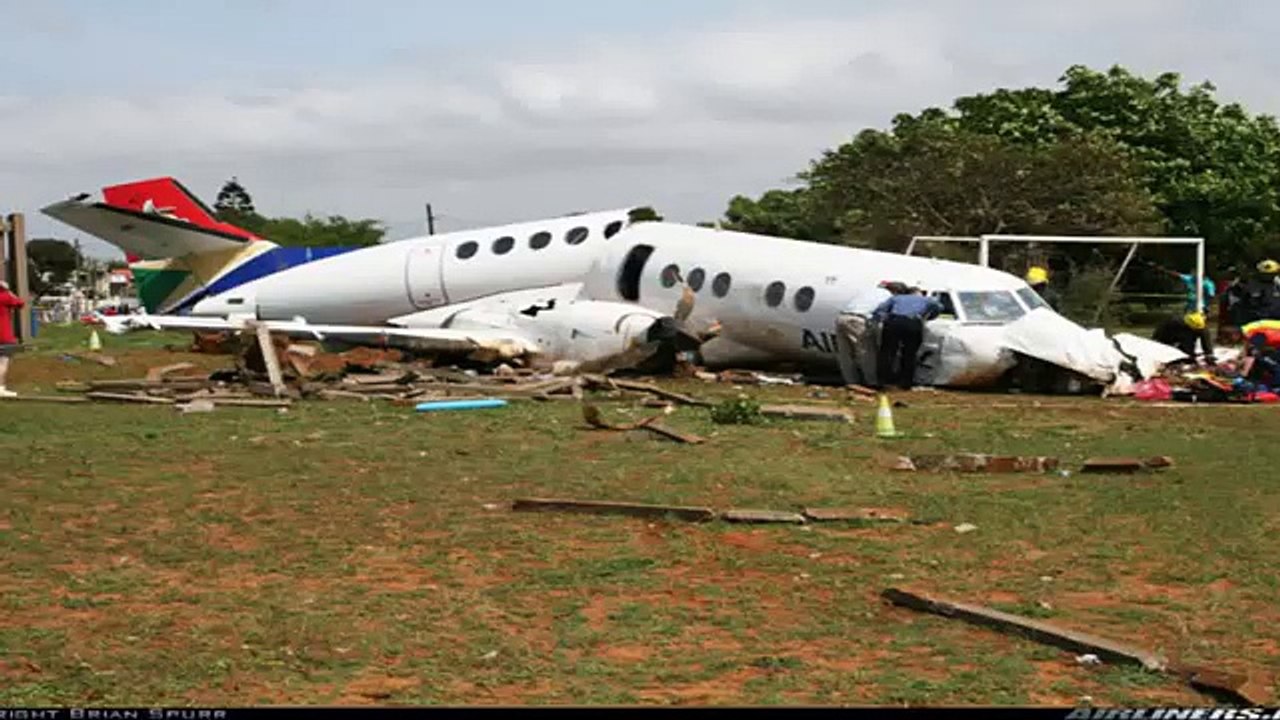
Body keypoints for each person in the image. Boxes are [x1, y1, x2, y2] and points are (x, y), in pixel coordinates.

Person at [872, 282, 942, 390]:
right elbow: (938, 307)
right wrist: (927, 316)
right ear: (918, 293)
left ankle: (885, 381)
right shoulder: (926, 299)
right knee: (910, 353)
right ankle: (905, 382)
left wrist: (885, 319)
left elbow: (880, 310)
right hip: (912, 322)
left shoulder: (896, 298)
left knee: (888, 352)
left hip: (894, 321)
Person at [834, 282, 893, 386]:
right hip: (858, 319)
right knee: (866, 351)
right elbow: (881, 313)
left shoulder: (868, 292)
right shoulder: (888, 296)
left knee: (845, 352)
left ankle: (851, 381)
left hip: (842, 317)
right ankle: (872, 382)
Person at [0, 279, 26, 397]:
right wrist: (9, 290)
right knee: (3, 363)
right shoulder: (5, 296)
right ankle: (0, 388)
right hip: (4, 335)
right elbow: (21, 303)